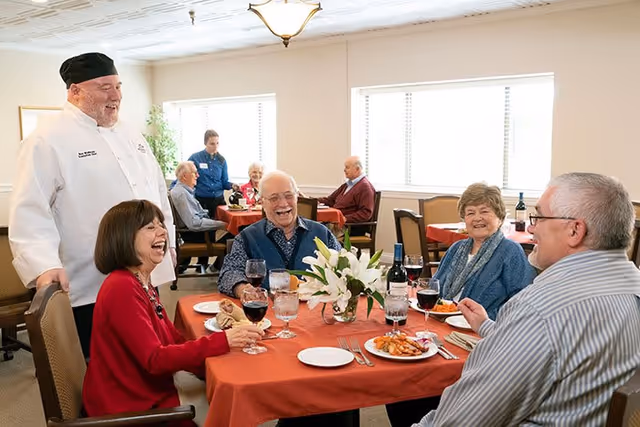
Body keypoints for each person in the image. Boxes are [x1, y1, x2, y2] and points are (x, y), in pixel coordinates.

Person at [414, 172, 640, 427]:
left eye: (539, 216)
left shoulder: (539, 309)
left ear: (575, 230)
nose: (531, 227)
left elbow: (457, 421)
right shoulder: (632, 288)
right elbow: (559, 348)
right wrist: (489, 326)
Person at [9, 52, 176, 359]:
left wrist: (169, 246)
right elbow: (30, 210)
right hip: (89, 284)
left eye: (118, 86)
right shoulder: (47, 139)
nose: (116, 96)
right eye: (104, 87)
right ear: (75, 91)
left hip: (144, 275)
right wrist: (44, 265)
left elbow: (157, 196)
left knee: (147, 354)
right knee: (101, 365)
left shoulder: (131, 134)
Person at [84, 200, 262, 427]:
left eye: (161, 224)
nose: (162, 231)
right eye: (150, 227)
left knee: (228, 390)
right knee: (232, 404)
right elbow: (155, 359)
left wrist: (211, 361)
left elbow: (172, 339)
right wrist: (222, 342)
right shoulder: (122, 288)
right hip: (130, 405)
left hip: (144, 387)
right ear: (124, 236)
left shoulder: (139, 280)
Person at [219, 171, 356, 427]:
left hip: (318, 328)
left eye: (288, 196)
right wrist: (242, 289)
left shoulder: (321, 233)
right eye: (273, 198)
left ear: (297, 197)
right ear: (262, 202)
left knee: (338, 381)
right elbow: (228, 273)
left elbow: (345, 269)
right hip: (273, 332)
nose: (283, 204)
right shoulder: (248, 237)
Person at [432, 183, 536, 320]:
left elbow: (522, 303)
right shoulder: (456, 248)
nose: (477, 218)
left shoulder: (510, 251)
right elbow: (434, 288)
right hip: (442, 321)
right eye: (470, 213)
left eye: (484, 211)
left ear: (500, 218)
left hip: (483, 331)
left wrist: (485, 319)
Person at [170, 161, 229, 272]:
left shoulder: (184, 191)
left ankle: (217, 267)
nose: (198, 175)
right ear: (184, 176)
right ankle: (218, 268)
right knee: (236, 234)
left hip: (194, 232)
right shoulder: (182, 194)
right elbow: (194, 223)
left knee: (233, 230)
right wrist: (221, 225)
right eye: (195, 173)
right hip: (196, 234)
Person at [188, 129, 239, 218]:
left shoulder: (221, 160)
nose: (215, 146)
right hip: (202, 200)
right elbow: (185, 176)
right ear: (205, 143)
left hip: (218, 200)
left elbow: (224, 182)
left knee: (223, 226)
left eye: (217, 143)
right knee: (206, 229)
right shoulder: (195, 158)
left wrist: (233, 185)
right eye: (212, 144)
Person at [319, 156, 376, 234]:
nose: (344, 170)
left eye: (347, 167)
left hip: (350, 227)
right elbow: (330, 200)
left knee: (319, 231)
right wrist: (310, 200)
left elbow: (366, 213)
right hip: (336, 223)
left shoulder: (365, 187)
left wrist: (345, 218)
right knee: (315, 226)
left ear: (357, 169)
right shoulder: (347, 185)